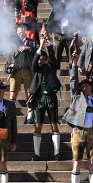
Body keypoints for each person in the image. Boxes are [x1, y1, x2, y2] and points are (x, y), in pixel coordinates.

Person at [62, 57, 93, 183]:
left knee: (92, 163)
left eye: (87, 86)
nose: (85, 87)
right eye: (83, 86)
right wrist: (74, 64)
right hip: (78, 132)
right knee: (77, 161)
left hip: (92, 133)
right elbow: (73, 80)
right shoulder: (76, 97)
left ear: (91, 88)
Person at [28, 29, 63, 160]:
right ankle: (36, 154)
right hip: (39, 99)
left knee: (54, 124)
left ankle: (56, 153)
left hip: (51, 98)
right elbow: (33, 63)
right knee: (38, 125)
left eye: (43, 58)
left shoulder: (51, 66)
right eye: (40, 59)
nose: (41, 60)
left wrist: (48, 44)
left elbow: (53, 58)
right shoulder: (36, 68)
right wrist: (40, 45)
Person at [8, 24, 38, 102]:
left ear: (26, 31)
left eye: (23, 28)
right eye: (19, 29)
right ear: (17, 32)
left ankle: (30, 113)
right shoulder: (12, 43)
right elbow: (10, 56)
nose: (21, 30)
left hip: (28, 69)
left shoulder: (33, 42)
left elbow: (37, 52)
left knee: (29, 92)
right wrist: (9, 65)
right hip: (16, 69)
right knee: (13, 92)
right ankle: (11, 112)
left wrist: (29, 48)